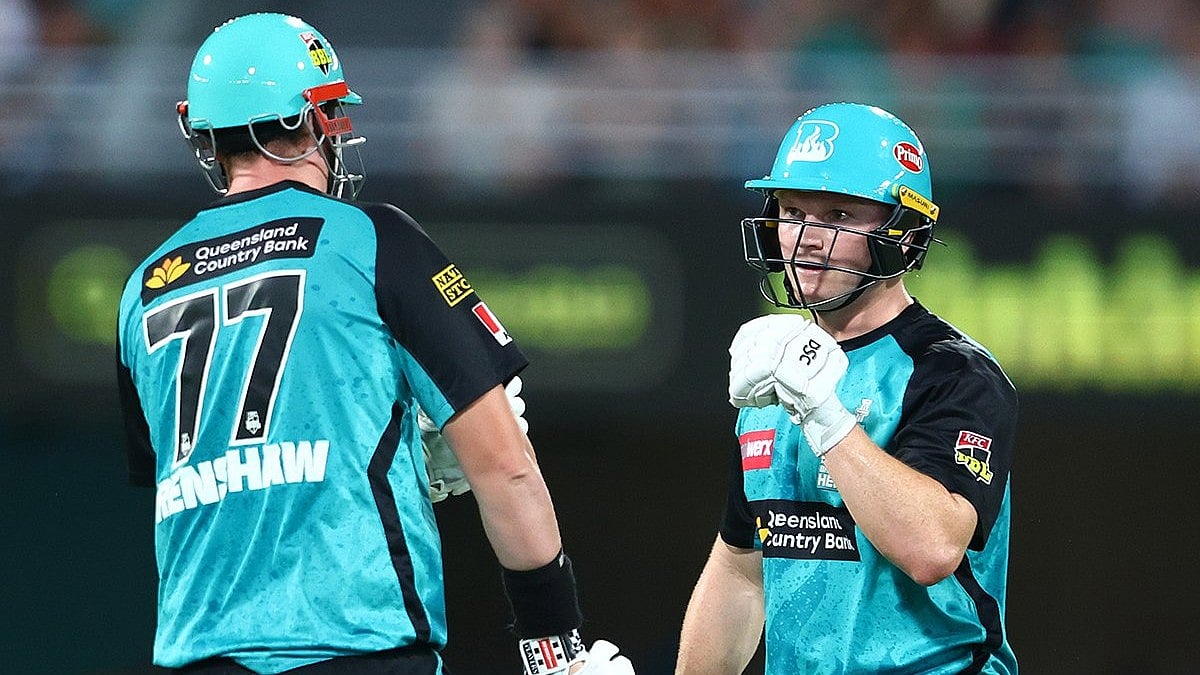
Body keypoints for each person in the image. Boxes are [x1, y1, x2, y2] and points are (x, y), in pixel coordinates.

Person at [115, 13, 634, 675]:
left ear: (207, 137)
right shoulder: (372, 238)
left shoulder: (142, 288)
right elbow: (506, 466)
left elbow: (210, 471)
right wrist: (556, 650)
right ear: (310, 121)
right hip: (359, 645)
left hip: (198, 654)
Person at [675, 102, 1018, 674]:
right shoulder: (773, 372)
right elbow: (740, 568)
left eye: (837, 216)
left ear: (901, 234)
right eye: (792, 211)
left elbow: (932, 548)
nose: (807, 239)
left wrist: (823, 413)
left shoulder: (954, 375)